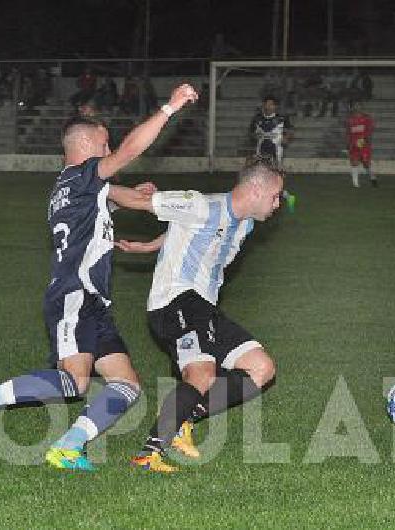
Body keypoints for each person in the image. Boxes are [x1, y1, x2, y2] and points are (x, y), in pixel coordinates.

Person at [0, 84, 200, 471]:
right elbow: (129, 152)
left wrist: (139, 196)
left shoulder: (72, 185)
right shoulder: (80, 177)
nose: (110, 151)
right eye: (105, 143)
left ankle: (68, 447)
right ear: (87, 144)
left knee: (126, 386)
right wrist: (170, 107)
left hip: (93, 303)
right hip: (74, 295)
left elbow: (122, 197)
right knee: (74, 383)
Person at [114, 155, 284, 472]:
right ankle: (149, 454)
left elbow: (187, 232)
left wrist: (149, 246)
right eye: (275, 196)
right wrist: (95, 185)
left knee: (261, 369)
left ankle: (183, 420)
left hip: (201, 308)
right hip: (176, 300)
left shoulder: (244, 223)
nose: (278, 204)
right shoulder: (201, 205)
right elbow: (140, 200)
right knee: (202, 374)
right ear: (257, 190)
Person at [249, 95, 296, 211]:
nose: (268, 106)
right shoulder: (257, 118)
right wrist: (256, 136)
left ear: (275, 106)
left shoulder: (281, 118)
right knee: (260, 177)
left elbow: (290, 132)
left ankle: (285, 197)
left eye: (271, 104)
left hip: (276, 152)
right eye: (266, 104)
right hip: (261, 151)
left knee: (274, 177)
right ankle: (278, 199)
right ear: (263, 105)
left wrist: (286, 139)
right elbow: (251, 133)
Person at [346, 101, 376, 188]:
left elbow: (370, 130)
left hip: (364, 144)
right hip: (353, 144)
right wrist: (348, 143)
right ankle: (355, 183)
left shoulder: (367, 118)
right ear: (353, 108)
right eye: (355, 106)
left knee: (366, 164)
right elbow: (348, 133)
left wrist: (365, 140)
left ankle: (373, 177)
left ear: (361, 108)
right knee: (354, 163)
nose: (357, 108)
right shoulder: (350, 120)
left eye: (359, 106)